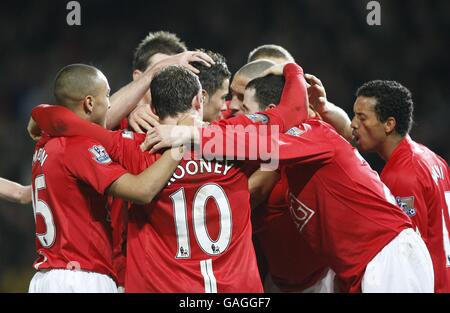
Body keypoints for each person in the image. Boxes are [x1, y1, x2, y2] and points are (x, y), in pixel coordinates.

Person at [147, 65, 435, 293]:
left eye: (249, 111)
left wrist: (192, 134)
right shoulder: (296, 156)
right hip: (361, 267)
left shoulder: (313, 134)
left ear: (272, 110)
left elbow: (261, 143)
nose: (241, 117)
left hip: (388, 257)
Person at [30, 62, 309, 292]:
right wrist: (290, 68)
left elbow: (61, 121)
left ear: (151, 109)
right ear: (199, 100)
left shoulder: (133, 147)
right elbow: (291, 114)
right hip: (236, 290)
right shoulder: (236, 139)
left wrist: (39, 112)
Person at [28, 64, 183, 293]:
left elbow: (40, 117)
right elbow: (142, 191)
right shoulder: (78, 147)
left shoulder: (44, 143)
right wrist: (181, 143)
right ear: (90, 103)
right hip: (80, 278)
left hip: (47, 277)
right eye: (108, 95)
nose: (110, 103)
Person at [351, 80, 450, 292]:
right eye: (353, 116)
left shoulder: (401, 176)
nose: (353, 124)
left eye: (362, 117)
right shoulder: (434, 160)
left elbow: (406, 254)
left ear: (389, 124)